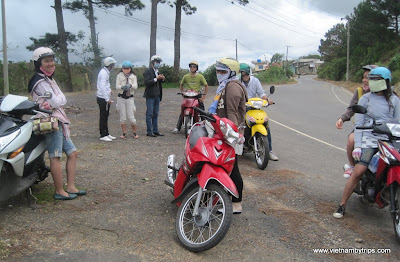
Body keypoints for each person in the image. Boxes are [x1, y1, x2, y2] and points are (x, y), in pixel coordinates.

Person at [333, 67, 400, 218]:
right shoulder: (365, 99)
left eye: (376, 79)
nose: (372, 82)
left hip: (388, 140)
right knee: (358, 171)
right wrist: (358, 146)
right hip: (369, 139)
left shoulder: (394, 100)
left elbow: (398, 122)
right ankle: (342, 205)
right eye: (371, 79)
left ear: (386, 82)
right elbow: (360, 126)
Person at [28, 47, 86, 200]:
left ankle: (71, 186)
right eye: (46, 61)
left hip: (58, 119)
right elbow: (55, 100)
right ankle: (60, 191)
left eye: (52, 60)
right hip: (50, 121)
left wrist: (57, 101)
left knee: (72, 153)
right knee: (55, 156)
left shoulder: (49, 79)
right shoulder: (39, 81)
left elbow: (61, 99)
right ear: (38, 62)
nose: (51, 63)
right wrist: (56, 102)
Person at [210, 57, 248, 214]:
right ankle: (224, 197)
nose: (219, 74)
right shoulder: (225, 85)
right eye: (218, 70)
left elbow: (232, 112)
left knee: (233, 168)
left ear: (232, 72)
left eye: (223, 71)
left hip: (231, 133)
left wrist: (232, 135)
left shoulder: (232, 87)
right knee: (225, 167)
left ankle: (237, 203)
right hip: (225, 131)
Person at [336, 65, 378, 178]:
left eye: (368, 77)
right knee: (351, 140)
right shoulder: (360, 92)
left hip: (381, 130)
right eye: (363, 77)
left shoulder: (388, 95)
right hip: (362, 128)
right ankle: (352, 166)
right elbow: (351, 108)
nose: (364, 80)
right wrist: (342, 118)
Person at [239, 63, 278, 161]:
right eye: (242, 74)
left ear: (248, 73)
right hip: (243, 108)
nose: (244, 76)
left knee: (265, 124)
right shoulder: (238, 82)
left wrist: (267, 100)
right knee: (241, 125)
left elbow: (261, 93)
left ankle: (269, 151)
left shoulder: (255, 81)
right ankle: (241, 145)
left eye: (245, 74)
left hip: (255, 107)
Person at [173, 61, 209, 134]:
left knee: (201, 110)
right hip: (188, 95)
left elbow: (206, 85)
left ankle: (205, 127)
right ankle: (178, 127)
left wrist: (204, 96)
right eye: (191, 66)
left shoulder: (200, 76)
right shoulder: (186, 76)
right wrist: (183, 92)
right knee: (183, 109)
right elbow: (181, 84)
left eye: (194, 67)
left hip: (197, 96)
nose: (192, 68)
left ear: (196, 68)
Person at [116, 60, 139, 139]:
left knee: (131, 116)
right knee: (123, 116)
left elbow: (136, 86)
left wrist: (130, 85)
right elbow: (117, 86)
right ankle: (124, 133)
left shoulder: (133, 76)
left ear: (130, 68)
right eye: (124, 68)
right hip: (121, 98)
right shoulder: (119, 75)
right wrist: (122, 87)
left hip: (129, 98)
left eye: (127, 68)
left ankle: (134, 133)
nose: (126, 70)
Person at [143, 55, 165, 137]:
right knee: (149, 114)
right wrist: (156, 78)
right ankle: (149, 131)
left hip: (157, 95)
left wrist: (162, 79)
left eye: (159, 62)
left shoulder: (158, 71)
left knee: (155, 113)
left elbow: (159, 83)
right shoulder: (147, 71)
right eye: (157, 62)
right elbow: (147, 82)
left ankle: (155, 130)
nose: (158, 64)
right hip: (150, 95)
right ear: (152, 62)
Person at [97, 57, 117, 142]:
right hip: (102, 98)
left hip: (104, 97)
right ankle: (103, 134)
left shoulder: (106, 72)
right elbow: (102, 86)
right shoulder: (103, 73)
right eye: (113, 65)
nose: (114, 66)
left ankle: (106, 133)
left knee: (106, 115)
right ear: (110, 65)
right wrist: (107, 98)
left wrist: (109, 91)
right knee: (103, 116)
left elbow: (106, 85)